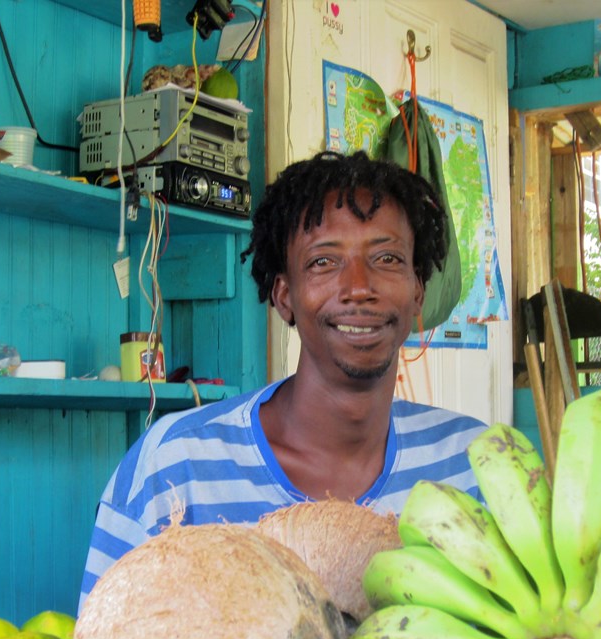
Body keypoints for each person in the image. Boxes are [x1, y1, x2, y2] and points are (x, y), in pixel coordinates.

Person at [79, 150, 488, 609]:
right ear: (284, 297)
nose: (358, 287)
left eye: (387, 257)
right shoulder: (175, 469)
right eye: (323, 262)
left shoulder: (473, 468)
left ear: (417, 292)